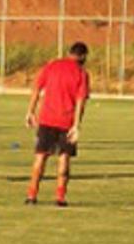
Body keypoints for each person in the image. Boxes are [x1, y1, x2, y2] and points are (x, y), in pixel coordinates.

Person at [24, 42, 91, 207]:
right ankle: (60, 197)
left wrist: (30, 111)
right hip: (66, 122)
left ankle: (31, 195)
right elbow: (80, 101)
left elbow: (37, 88)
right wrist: (76, 125)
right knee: (64, 158)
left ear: (69, 52)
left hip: (46, 118)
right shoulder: (82, 73)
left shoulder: (52, 65)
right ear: (83, 56)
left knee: (40, 157)